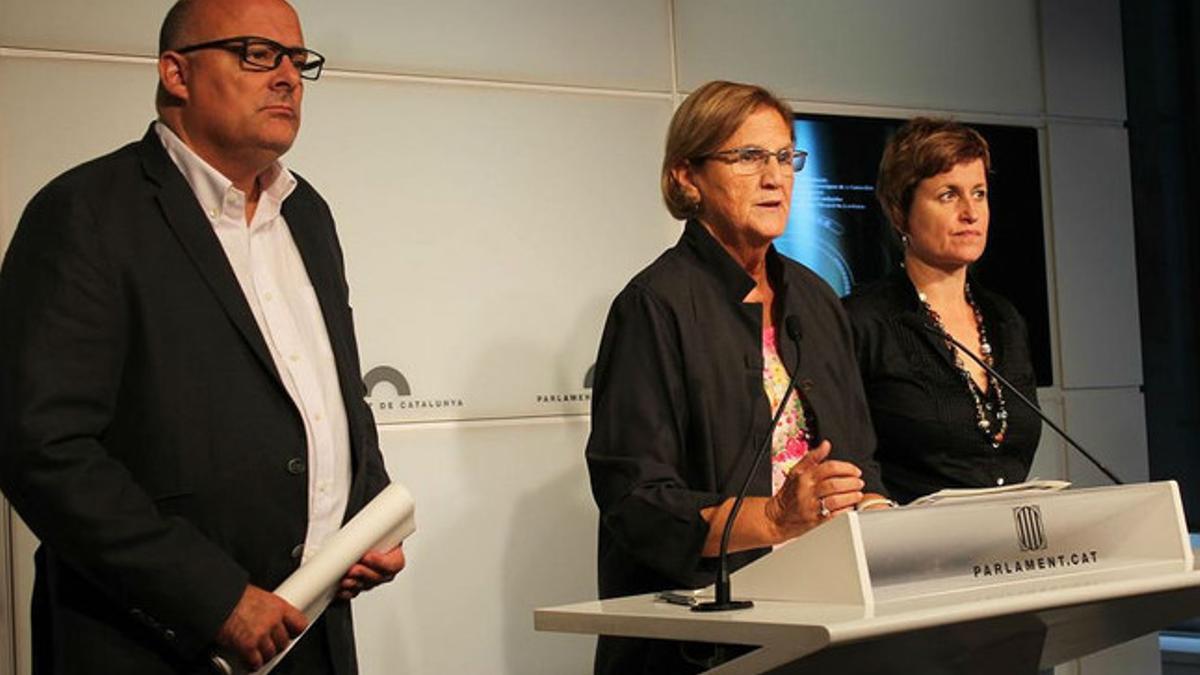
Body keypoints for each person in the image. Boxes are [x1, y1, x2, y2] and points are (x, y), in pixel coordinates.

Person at [0, 1, 406, 672]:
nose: (286, 77)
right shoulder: (86, 212)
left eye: (297, 60)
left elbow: (331, 400)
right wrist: (215, 599)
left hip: (313, 635)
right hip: (156, 643)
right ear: (175, 72)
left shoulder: (306, 213)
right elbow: (41, 446)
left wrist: (367, 519)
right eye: (256, 53)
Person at [585, 80, 888, 674]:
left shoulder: (818, 299)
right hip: (704, 642)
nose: (775, 177)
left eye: (784, 157)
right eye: (748, 157)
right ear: (686, 177)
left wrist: (874, 513)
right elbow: (638, 502)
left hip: (825, 626)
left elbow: (861, 460)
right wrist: (774, 519)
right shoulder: (654, 305)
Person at [843, 118, 1043, 504]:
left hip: (1008, 545)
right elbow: (846, 454)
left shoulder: (1005, 319)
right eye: (948, 195)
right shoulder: (861, 322)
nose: (971, 212)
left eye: (980, 193)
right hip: (910, 551)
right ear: (900, 211)